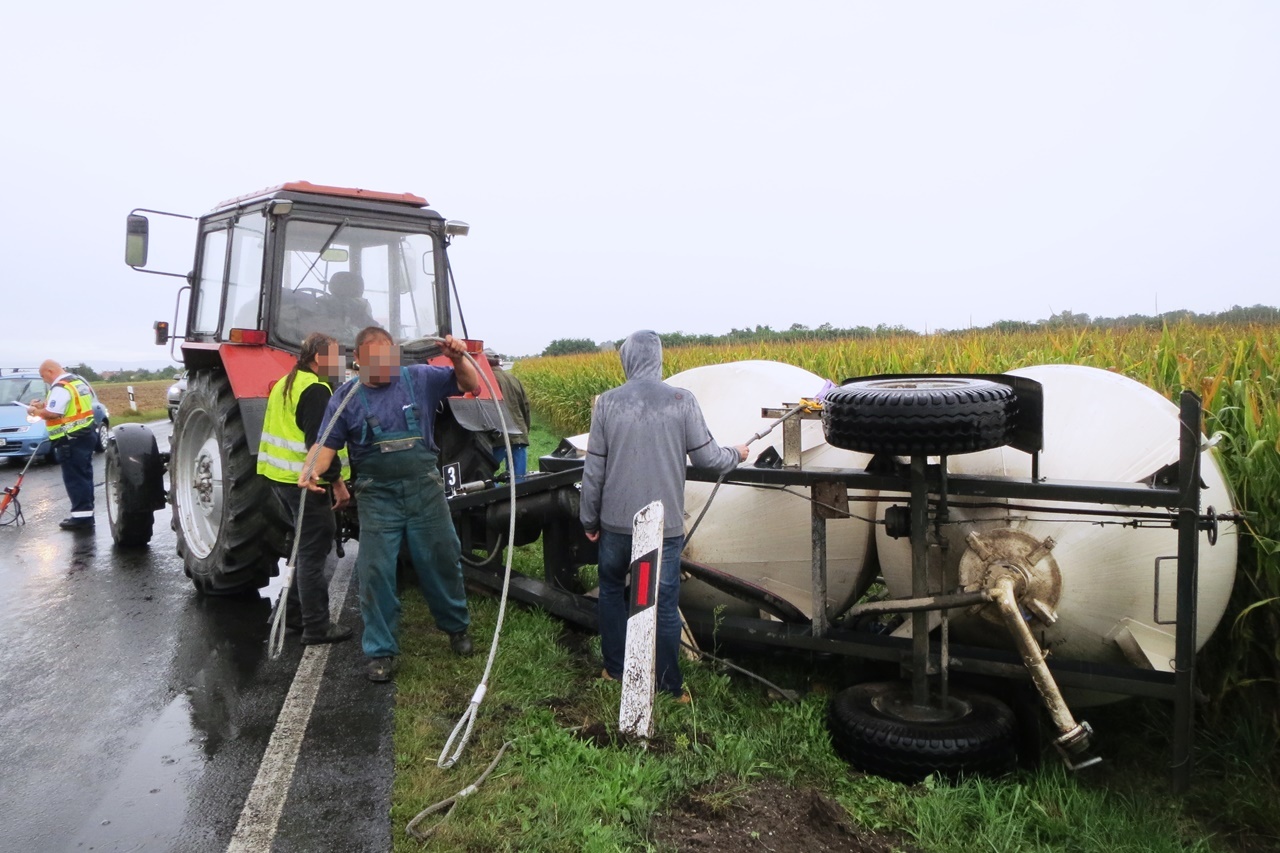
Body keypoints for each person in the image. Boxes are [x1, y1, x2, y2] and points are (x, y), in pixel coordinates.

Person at [301, 326, 480, 682]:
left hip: (424, 490)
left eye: (389, 360)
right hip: (378, 495)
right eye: (376, 363)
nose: (385, 369)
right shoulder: (345, 398)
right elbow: (326, 446)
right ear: (358, 361)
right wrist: (311, 470)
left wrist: (459, 357)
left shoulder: (420, 379)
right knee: (376, 572)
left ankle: (457, 627)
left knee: (442, 558)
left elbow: (470, 384)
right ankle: (381, 651)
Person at [579, 330, 749, 700]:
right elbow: (709, 459)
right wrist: (737, 453)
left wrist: (589, 519)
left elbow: (593, 471)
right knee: (663, 604)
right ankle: (669, 687)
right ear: (658, 358)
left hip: (615, 525)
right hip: (664, 528)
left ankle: (615, 669)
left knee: (611, 590)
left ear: (626, 360)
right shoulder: (681, 400)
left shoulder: (607, 403)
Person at [257, 332, 354, 645]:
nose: (340, 364)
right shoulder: (315, 390)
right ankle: (316, 627)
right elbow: (321, 445)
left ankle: (292, 613)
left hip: (279, 478)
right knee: (313, 553)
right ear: (318, 359)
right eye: (335, 358)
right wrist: (338, 483)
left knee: (304, 548)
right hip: (307, 485)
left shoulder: (289, 382)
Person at [27, 360, 98, 530]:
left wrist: (34, 411)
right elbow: (70, 406)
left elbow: (53, 413)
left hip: (70, 438)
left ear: (50, 371)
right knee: (84, 475)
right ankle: (86, 514)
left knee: (75, 478)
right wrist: (42, 405)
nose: (45, 380)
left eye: (44, 376)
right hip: (85, 434)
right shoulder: (77, 382)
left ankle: (81, 518)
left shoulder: (60, 387)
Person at [485, 350, 531, 480]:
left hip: (498, 437)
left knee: (487, 476)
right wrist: (525, 430)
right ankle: (519, 499)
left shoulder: (485, 380)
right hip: (519, 434)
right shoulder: (513, 379)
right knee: (519, 479)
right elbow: (525, 407)